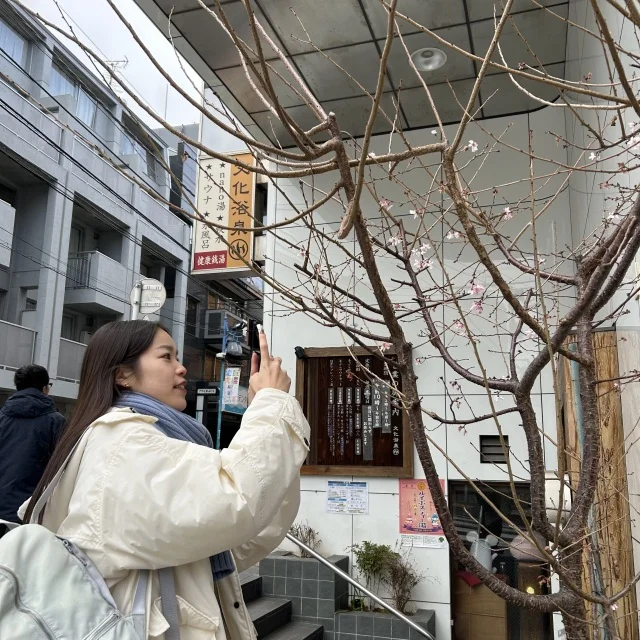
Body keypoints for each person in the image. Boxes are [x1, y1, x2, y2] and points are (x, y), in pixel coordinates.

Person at [21, 320, 310, 639]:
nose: (182, 368)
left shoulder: (139, 439)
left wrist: (273, 432)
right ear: (123, 374)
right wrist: (271, 404)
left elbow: (235, 539)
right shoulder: (124, 445)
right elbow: (236, 499)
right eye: (166, 357)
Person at [0, 364, 65, 531]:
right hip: (30, 512)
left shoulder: (2, 417)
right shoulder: (55, 422)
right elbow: (62, 470)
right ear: (45, 388)